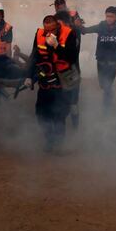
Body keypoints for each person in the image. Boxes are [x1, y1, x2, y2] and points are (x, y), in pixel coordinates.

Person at [25, 15, 78, 153]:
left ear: (57, 26)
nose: (50, 34)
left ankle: (59, 145)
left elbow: (72, 57)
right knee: (41, 114)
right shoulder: (39, 34)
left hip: (62, 81)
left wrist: (56, 46)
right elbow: (34, 56)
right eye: (47, 30)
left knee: (59, 115)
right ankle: (49, 140)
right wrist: (29, 76)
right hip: (45, 81)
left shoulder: (69, 34)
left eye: (53, 30)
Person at [51, 0, 83, 129]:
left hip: (72, 66)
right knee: (61, 99)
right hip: (59, 67)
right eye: (58, 9)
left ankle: (75, 123)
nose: (61, 10)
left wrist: (77, 26)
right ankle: (61, 126)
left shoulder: (73, 21)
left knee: (73, 102)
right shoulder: (54, 22)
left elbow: (79, 30)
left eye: (62, 8)